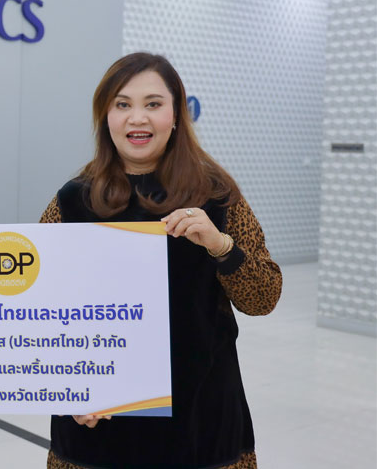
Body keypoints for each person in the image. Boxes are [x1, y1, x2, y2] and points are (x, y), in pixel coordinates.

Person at [40, 52, 282, 469]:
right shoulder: (72, 200)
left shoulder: (216, 195)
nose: (138, 118)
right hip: (97, 426)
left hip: (201, 426)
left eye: (153, 104)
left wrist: (221, 246)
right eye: (122, 104)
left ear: (175, 115)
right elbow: (38, 310)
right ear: (106, 117)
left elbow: (263, 298)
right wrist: (68, 388)